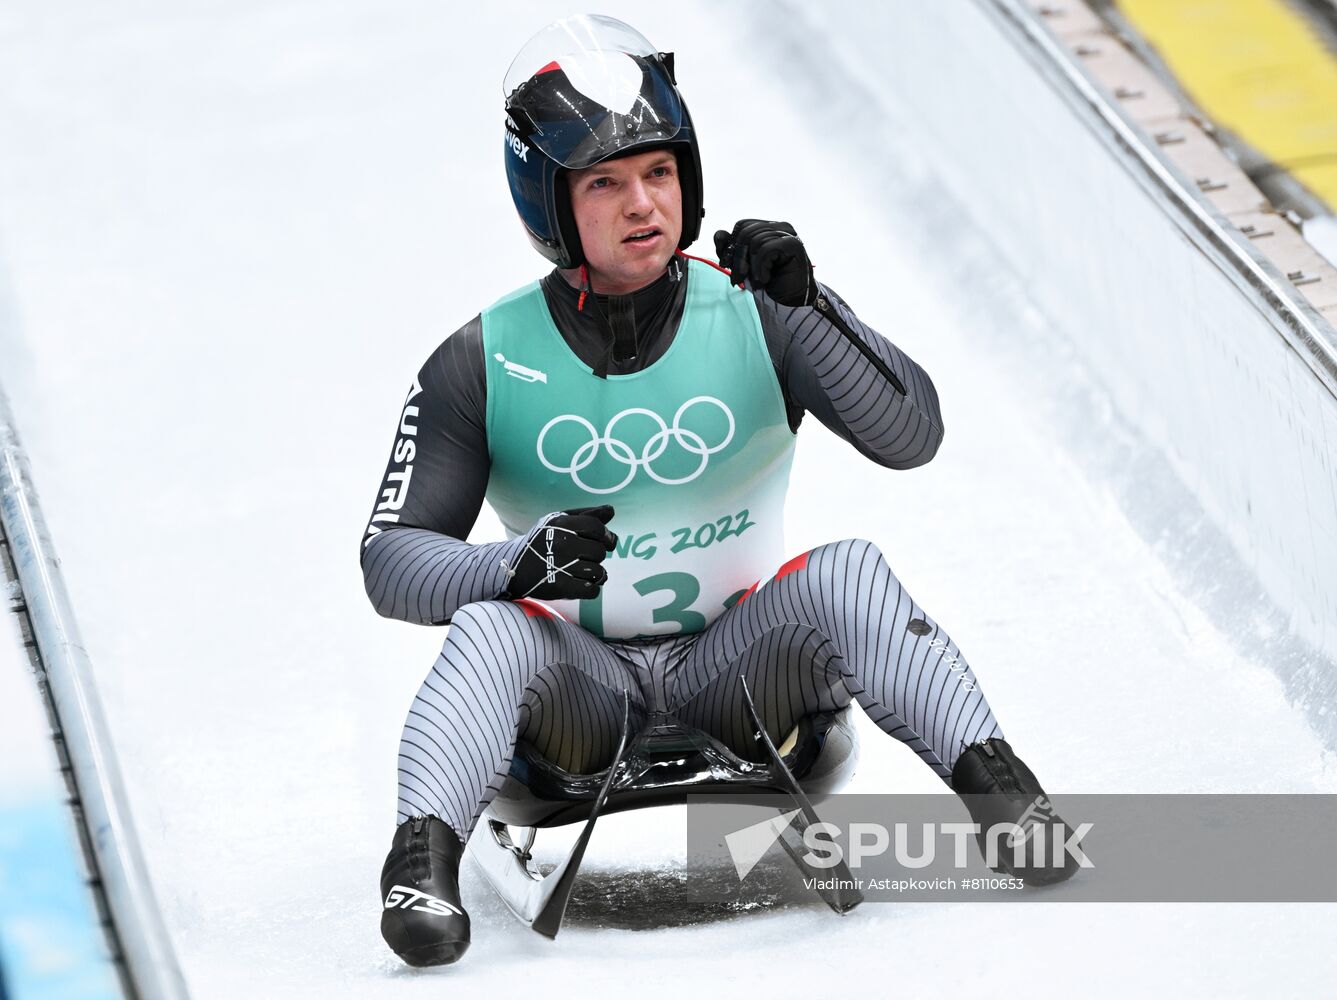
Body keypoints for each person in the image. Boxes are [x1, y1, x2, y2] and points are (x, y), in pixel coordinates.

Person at [362, 14, 1075, 969]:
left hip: (740, 674)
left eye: (658, 173)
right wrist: (514, 565)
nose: (641, 204)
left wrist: (809, 307)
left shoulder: (760, 306)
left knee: (847, 571)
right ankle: (420, 867)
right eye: (605, 183)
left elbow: (911, 439)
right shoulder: (480, 359)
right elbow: (391, 563)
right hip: (581, 692)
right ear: (548, 201)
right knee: (491, 626)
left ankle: (1005, 797)